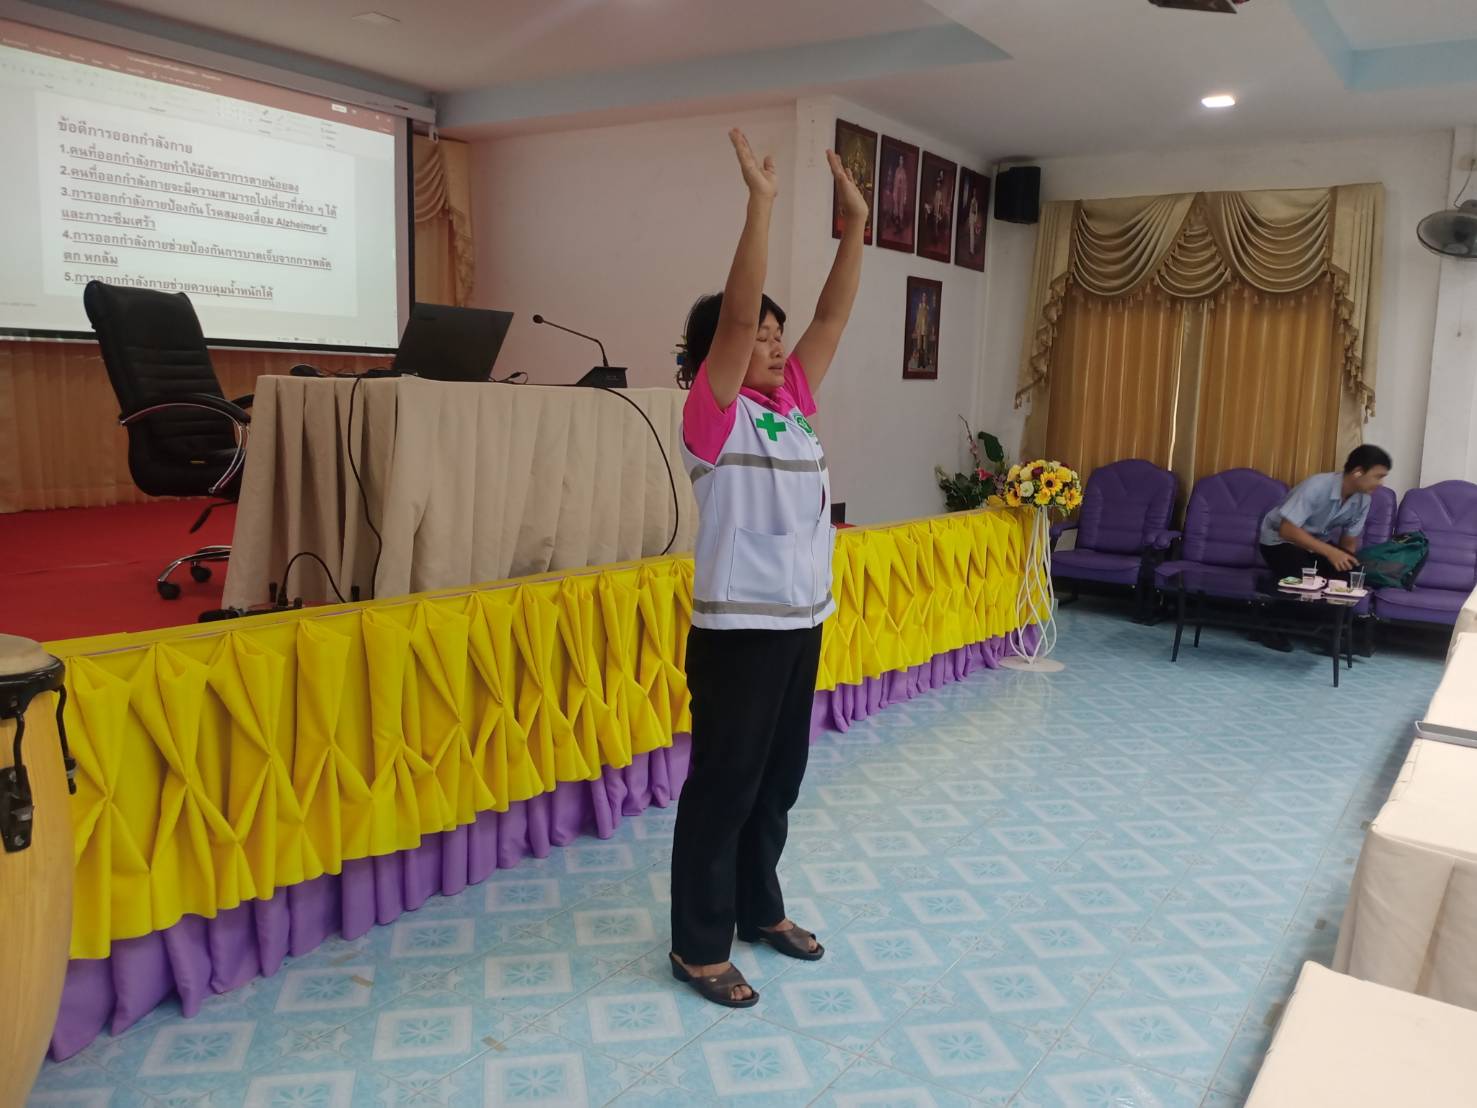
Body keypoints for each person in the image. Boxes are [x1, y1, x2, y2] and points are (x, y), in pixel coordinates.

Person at [668, 129, 867, 1008]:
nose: (776, 345)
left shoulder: (791, 408)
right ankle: (697, 945)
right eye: (762, 337)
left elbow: (832, 319)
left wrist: (855, 228)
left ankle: (759, 909)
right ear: (717, 352)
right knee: (725, 788)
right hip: (738, 631)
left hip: (799, 623)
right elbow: (736, 318)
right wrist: (761, 205)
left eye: (780, 337)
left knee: (776, 784)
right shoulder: (713, 417)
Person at [1255, 444, 1392, 652]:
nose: (1381, 483)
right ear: (1358, 472)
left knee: (1349, 573)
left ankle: (1332, 635)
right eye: (1378, 476)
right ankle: (1268, 625)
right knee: (1304, 579)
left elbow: (1348, 541)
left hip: (1314, 544)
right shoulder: (1317, 486)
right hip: (1279, 541)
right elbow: (1287, 530)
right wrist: (1330, 552)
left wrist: (1345, 566)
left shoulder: (1363, 499)